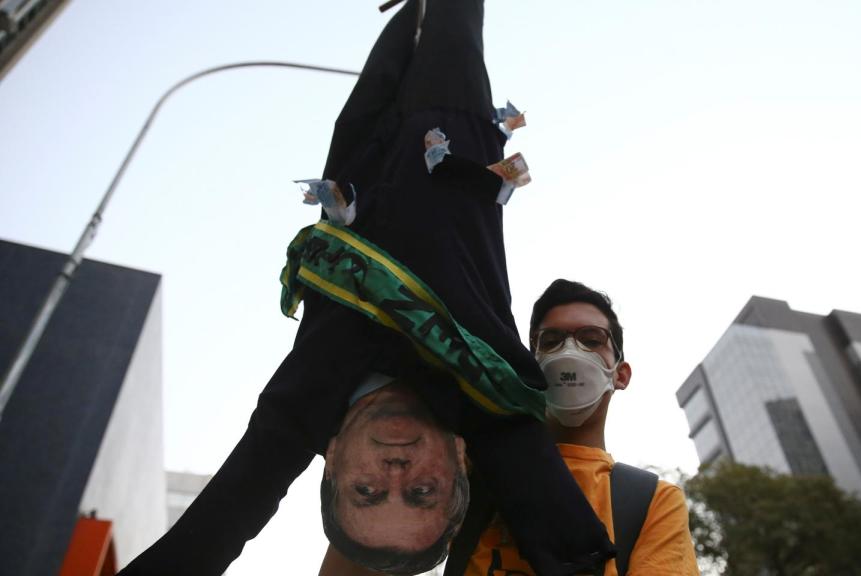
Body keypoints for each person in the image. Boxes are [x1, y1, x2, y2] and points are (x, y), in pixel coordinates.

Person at [118, 2, 614, 575]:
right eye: (422, 493)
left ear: (331, 463)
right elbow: (568, 545)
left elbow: (216, 526)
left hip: (354, 175)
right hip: (448, 146)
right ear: (459, 460)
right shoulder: (489, 412)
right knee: (455, 28)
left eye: (367, 492)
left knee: (384, 64)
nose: (395, 474)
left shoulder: (307, 406)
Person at [319, 279, 702, 575]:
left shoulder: (650, 502)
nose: (570, 352)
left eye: (591, 340)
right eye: (551, 341)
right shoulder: (467, 471)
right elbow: (367, 556)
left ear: (620, 374)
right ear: (530, 369)